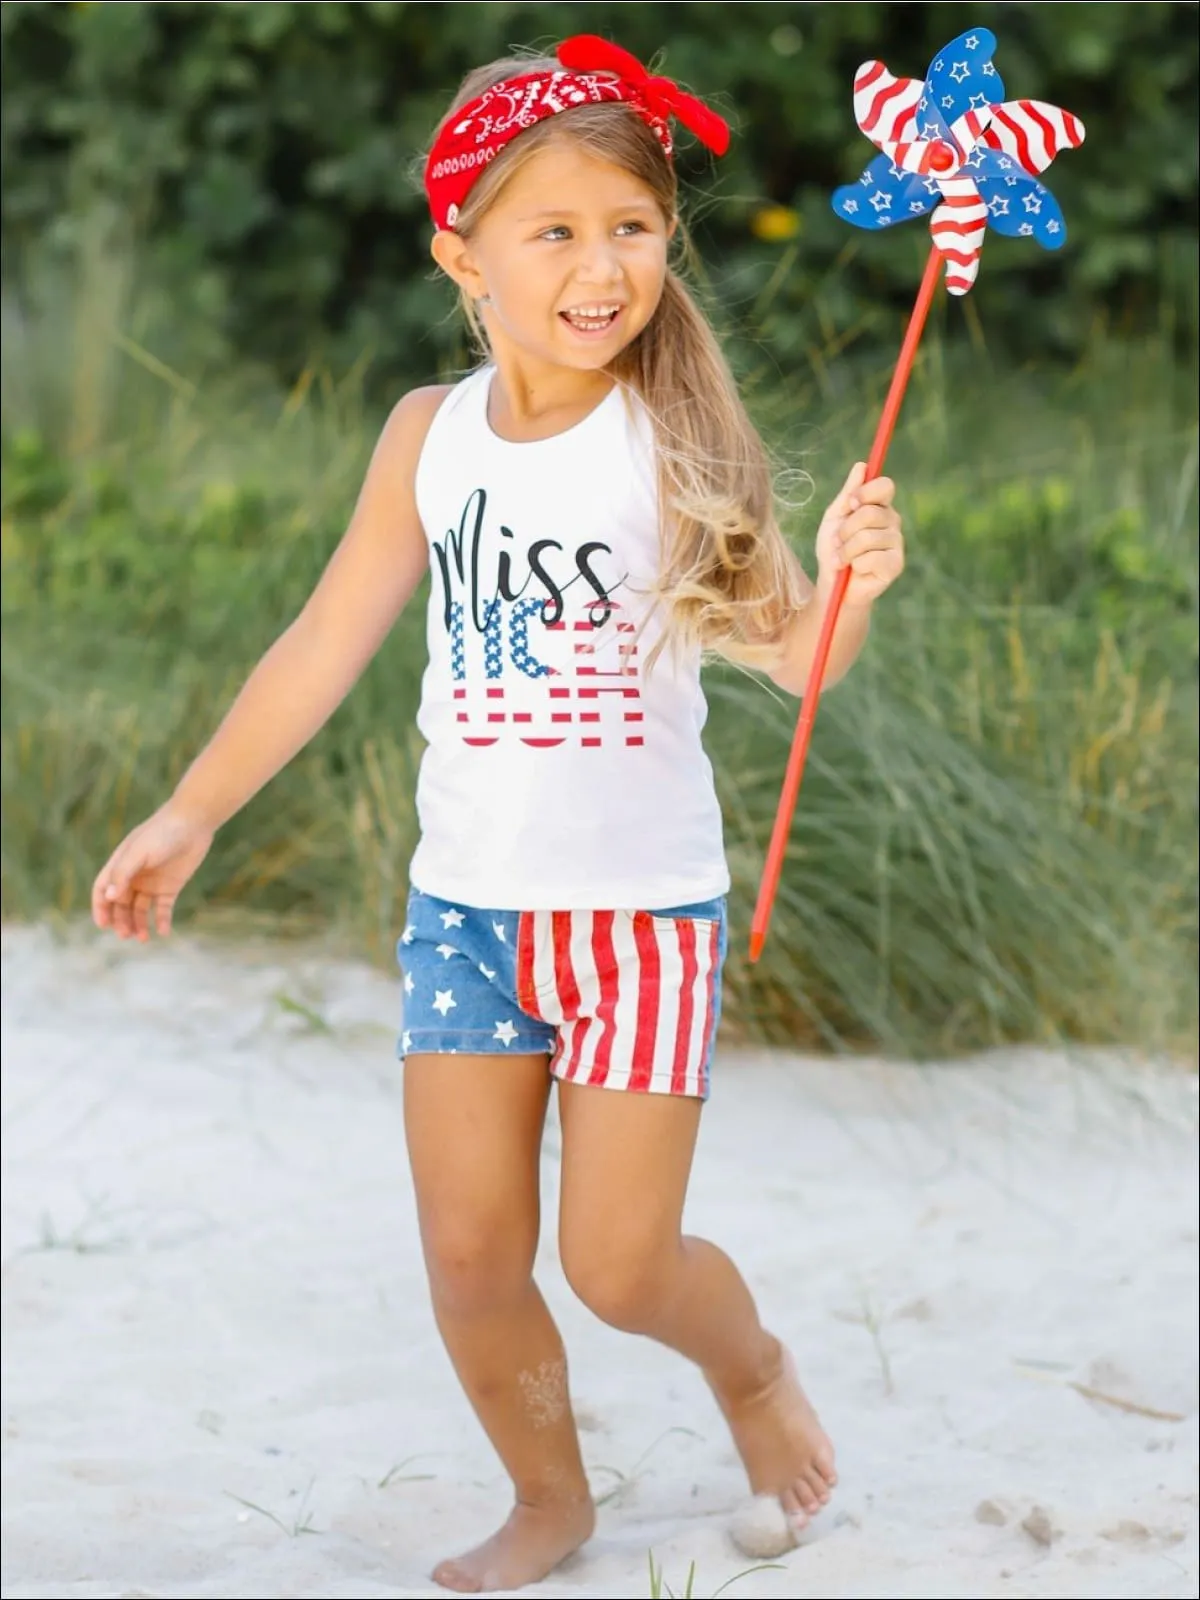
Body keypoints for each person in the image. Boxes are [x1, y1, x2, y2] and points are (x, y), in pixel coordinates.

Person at [91, 35, 905, 1596]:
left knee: (617, 1265)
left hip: (640, 923)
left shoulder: (671, 444)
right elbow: (325, 640)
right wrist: (192, 809)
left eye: (634, 228)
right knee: (470, 1255)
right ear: (460, 254)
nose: (604, 267)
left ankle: (752, 1373)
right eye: (557, 231)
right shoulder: (429, 437)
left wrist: (858, 575)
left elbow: (799, 657)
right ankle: (551, 1498)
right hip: (467, 911)